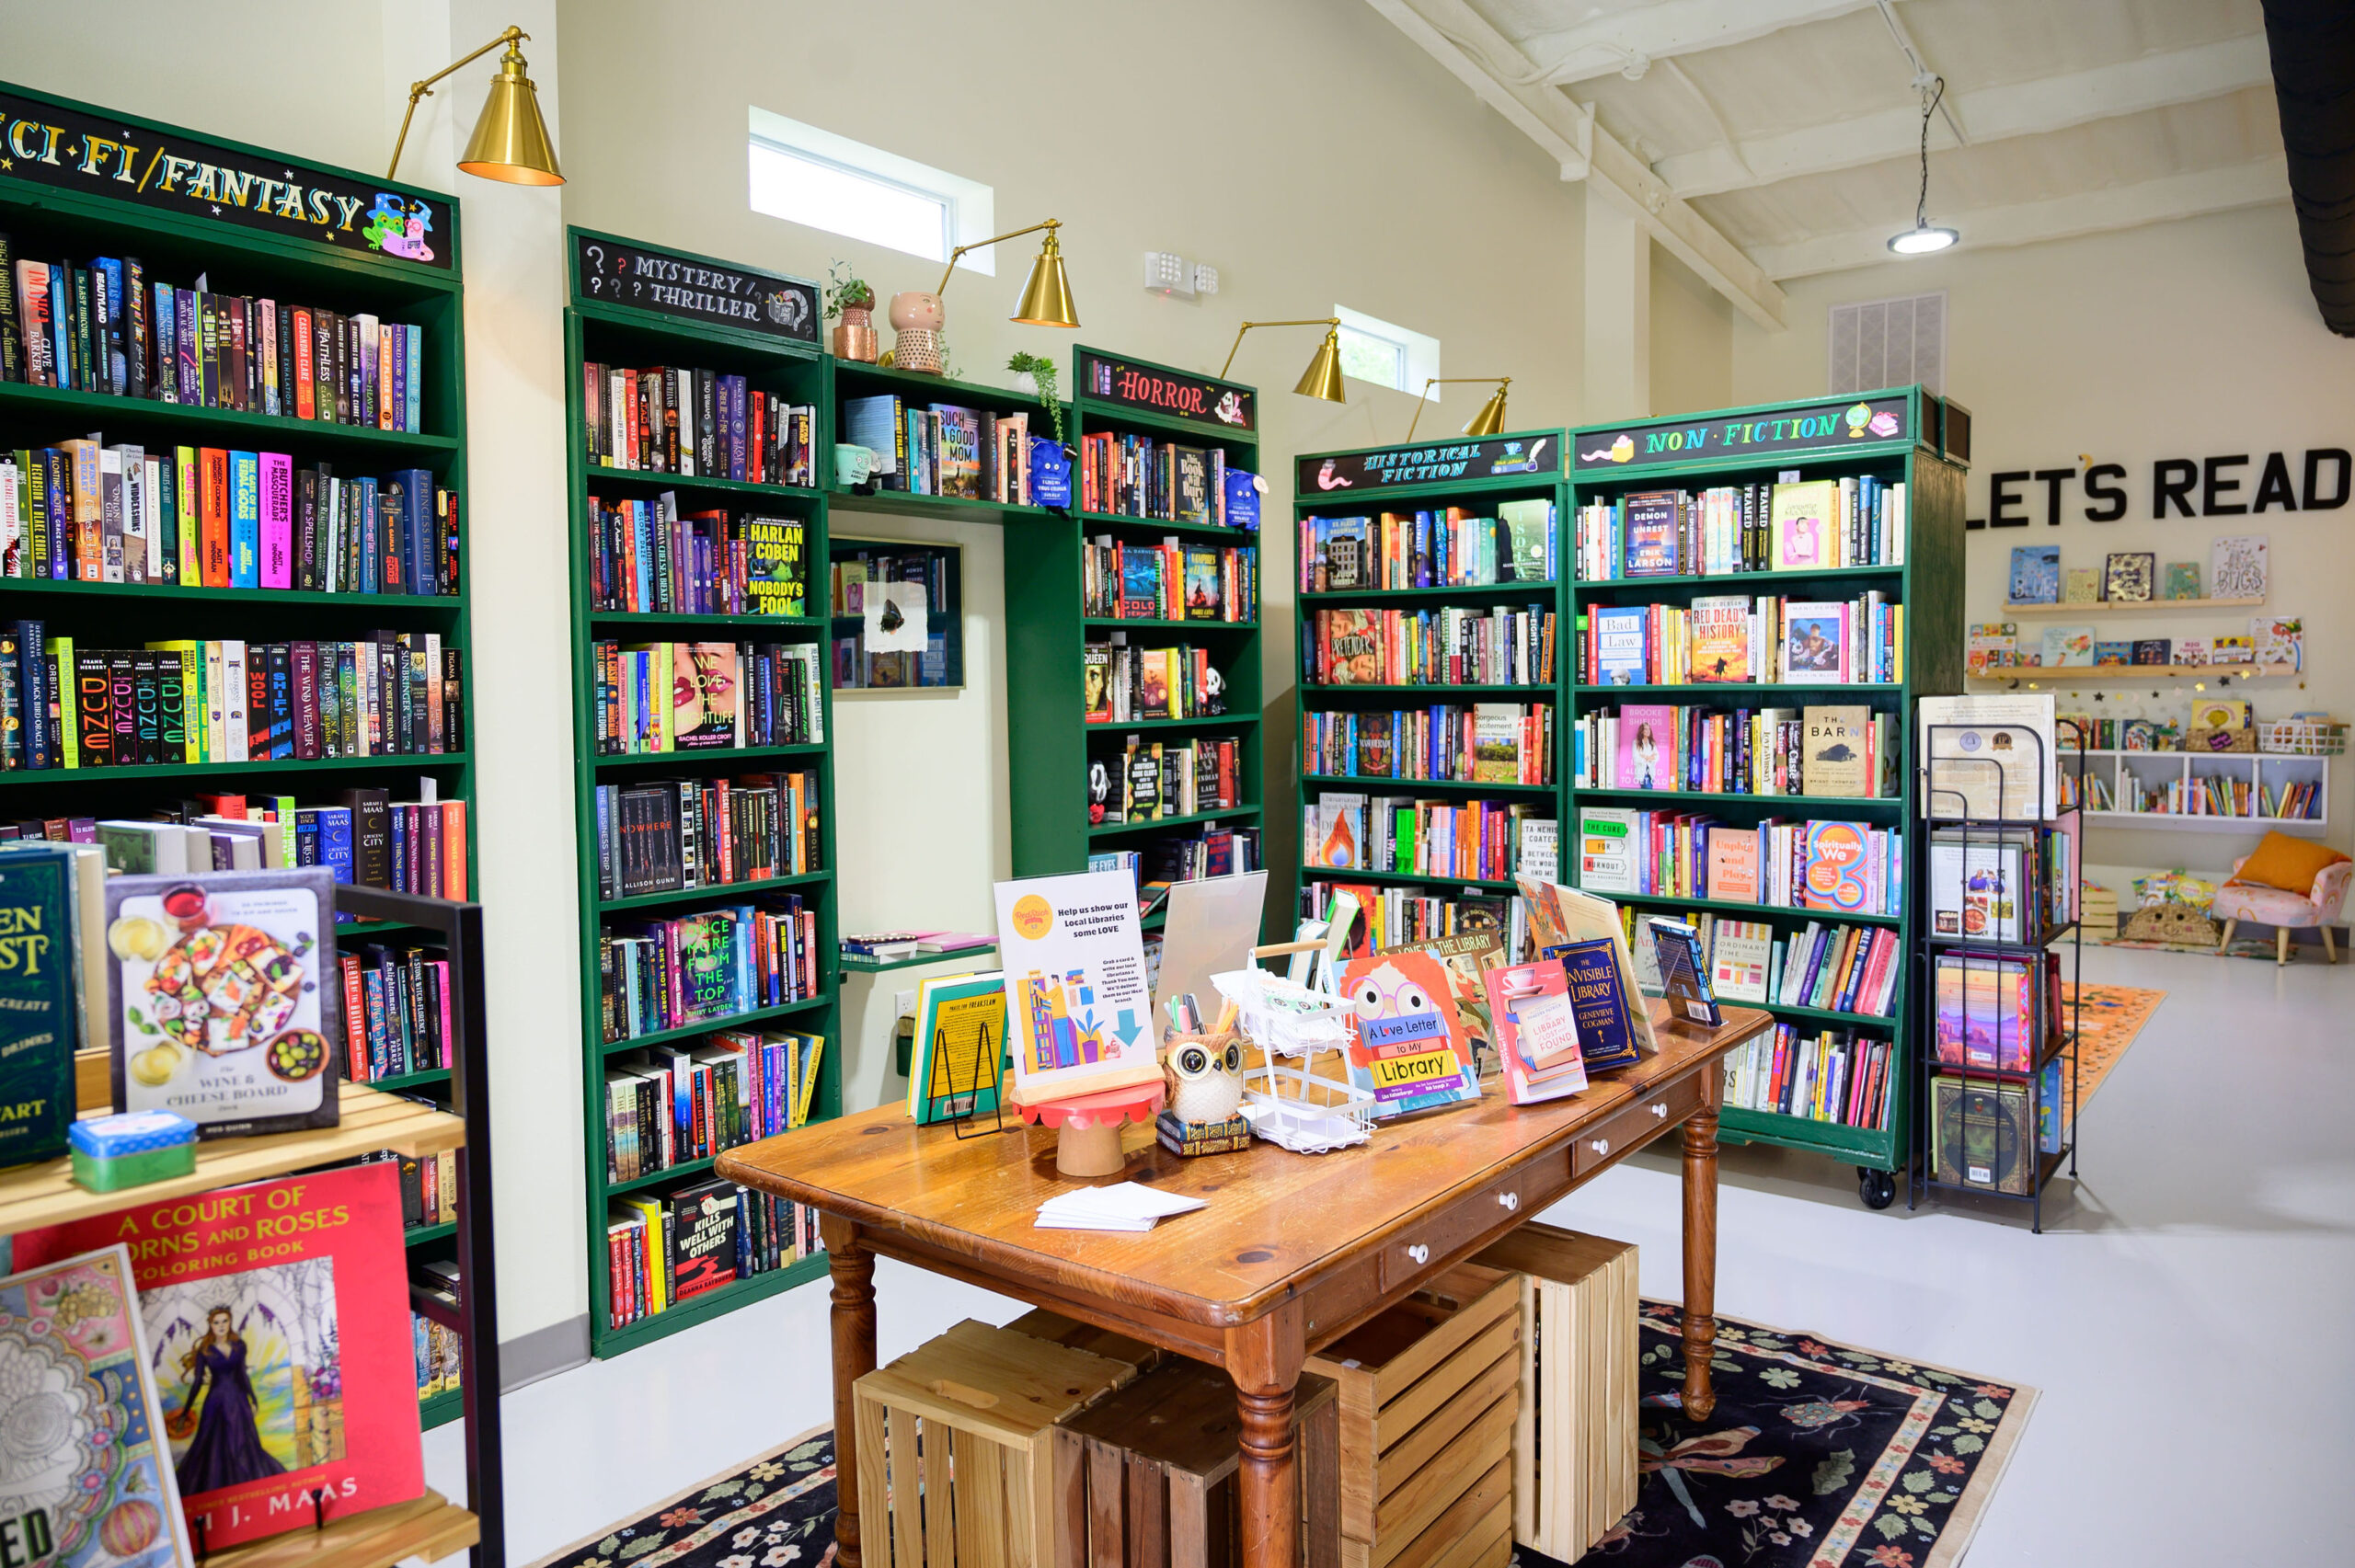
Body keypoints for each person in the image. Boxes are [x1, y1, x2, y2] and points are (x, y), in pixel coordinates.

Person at [175, 1307, 285, 1492]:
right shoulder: (205, 1351)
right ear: (211, 1325)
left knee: (245, 1443)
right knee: (212, 1445)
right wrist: (185, 1412)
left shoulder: (239, 1346)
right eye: (216, 1322)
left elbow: (242, 1374)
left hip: (238, 1401)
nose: (221, 1326)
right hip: (216, 1403)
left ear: (230, 1322)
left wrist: (253, 1398)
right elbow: (197, 1383)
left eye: (225, 1321)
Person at [1633, 722, 1660, 789]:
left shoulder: (1652, 742)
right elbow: (1636, 758)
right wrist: (1650, 757)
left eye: (1649, 729)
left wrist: (1645, 757)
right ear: (1642, 731)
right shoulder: (1636, 742)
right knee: (1647, 789)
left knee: (1649, 789)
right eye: (1646, 729)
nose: (1648, 731)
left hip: (1651, 771)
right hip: (1642, 770)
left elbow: (1657, 756)